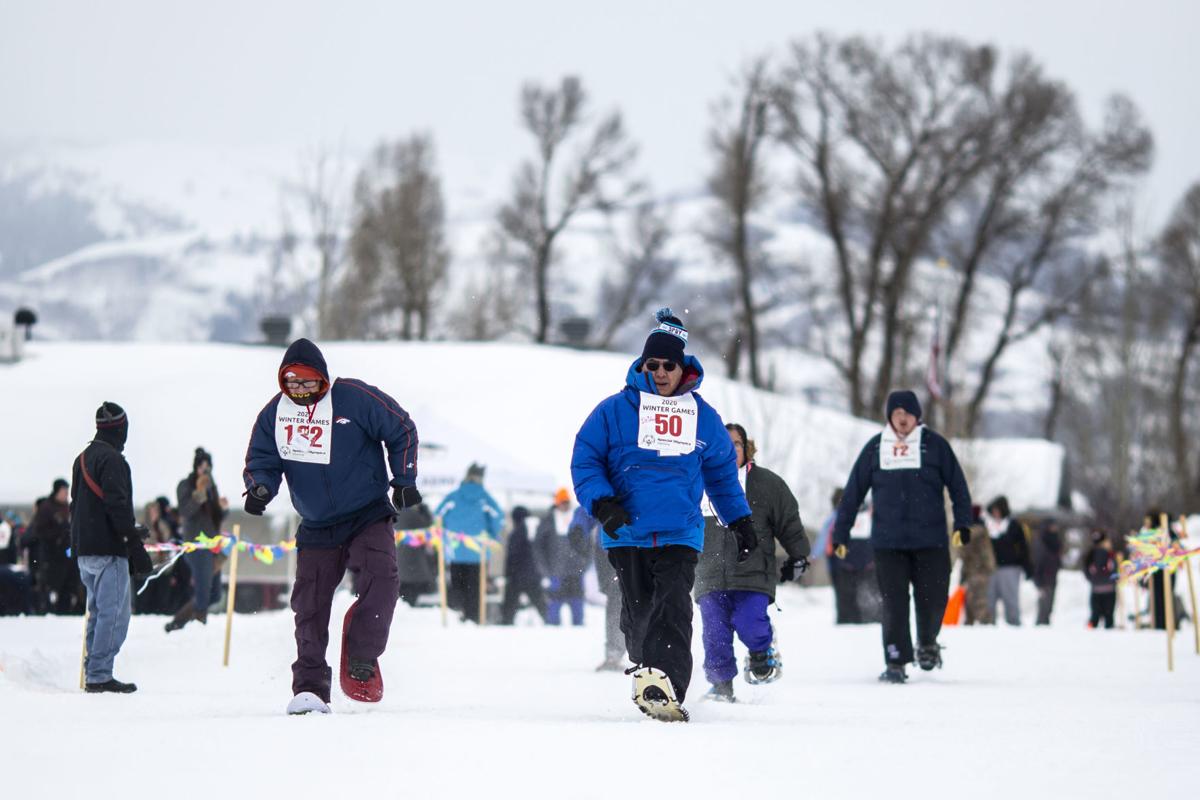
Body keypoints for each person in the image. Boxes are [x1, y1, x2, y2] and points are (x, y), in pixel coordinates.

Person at [572, 308, 754, 722]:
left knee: (673, 608)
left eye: (667, 365)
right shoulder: (613, 411)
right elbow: (586, 461)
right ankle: (645, 664)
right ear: (642, 365)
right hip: (627, 533)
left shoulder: (702, 417)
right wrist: (602, 503)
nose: (659, 372)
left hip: (679, 533)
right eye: (651, 364)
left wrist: (740, 520)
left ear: (681, 367)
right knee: (639, 616)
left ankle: (667, 685)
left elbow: (722, 476)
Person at [243, 338, 420, 714]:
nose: (300, 390)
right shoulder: (275, 414)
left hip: (366, 512)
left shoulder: (354, 398)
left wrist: (404, 479)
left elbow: (401, 427)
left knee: (382, 577)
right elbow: (262, 456)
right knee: (309, 605)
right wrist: (260, 486)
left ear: (322, 380)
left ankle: (362, 657)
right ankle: (309, 688)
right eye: (292, 383)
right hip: (317, 523)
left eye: (307, 383)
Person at [832, 390, 972, 683]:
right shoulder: (875, 448)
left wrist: (962, 524)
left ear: (917, 416)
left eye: (908, 413)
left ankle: (927, 643)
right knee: (894, 601)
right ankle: (896, 659)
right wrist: (841, 534)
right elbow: (853, 492)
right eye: (897, 413)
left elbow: (957, 486)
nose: (903, 418)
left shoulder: (934, 446)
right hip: (888, 542)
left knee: (933, 599)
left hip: (931, 541)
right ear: (890, 417)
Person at [694, 423, 810, 702]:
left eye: (736, 444)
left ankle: (762, 649)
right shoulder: (696, 481)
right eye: (724, 443)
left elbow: (789, 523)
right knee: (714, 632)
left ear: (746, 448)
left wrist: (799, 555)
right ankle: (721, 685)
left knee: (750, 623)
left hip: (753, 572)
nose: (730, 449)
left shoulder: (767, 484)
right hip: (708, 573)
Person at [70, 402, 154, 693]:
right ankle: (99, 674)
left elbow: (78, 506)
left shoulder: (82, 458)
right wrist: (135, 546)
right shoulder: (114, 461)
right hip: (109, 550)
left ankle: (93, 667)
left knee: (98, 612)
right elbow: (116, 507)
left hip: (85, 550)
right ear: (121, 429)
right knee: (114, 614)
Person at [165, 448, 229, 632]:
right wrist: (199, 492)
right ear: (196, 467)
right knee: (203, 592)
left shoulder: (212, 487)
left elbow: (216, 517)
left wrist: (222, 508)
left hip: (212, 545)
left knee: (215, 594)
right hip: (196, 544)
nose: (205, 470)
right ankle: (196, 630)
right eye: (202, 466)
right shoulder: (185, 484)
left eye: (208, 466)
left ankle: (177, 623)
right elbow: (185, 511)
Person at [434, 463, 503, 624]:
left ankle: (457, 616)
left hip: (455, 550)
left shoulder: (453, 497)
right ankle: (474, 618)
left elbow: (438, 516)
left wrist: (446, 537)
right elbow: (498, 518)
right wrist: (491, 535)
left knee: (457, 587)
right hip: (478, 551)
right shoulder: (485, 498)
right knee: (476, 590)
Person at [534, 488, 590, 626]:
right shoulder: (548, 521)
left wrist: (585, 563)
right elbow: (538, 547)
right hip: (556, 572)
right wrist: (545, 569)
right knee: (554, 605)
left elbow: (588, 543)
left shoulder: (578, 518)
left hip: (576, 571)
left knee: (577, 605)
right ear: (557, 503)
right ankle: (553, 633)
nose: (564, 505)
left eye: (566, 502)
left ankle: (578, 632)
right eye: (562, 502)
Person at [30, 478, 84, 614]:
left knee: (69, 585)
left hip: (68, 555)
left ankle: (65, 610)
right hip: (52, 556)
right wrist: (58, 532)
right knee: (52, 586)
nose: (66, 494)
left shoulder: (68, 507)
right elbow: (39, 531)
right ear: (57, 491)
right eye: (64, 491)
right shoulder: (47, 508)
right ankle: (49, 612)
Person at [985, 496, 1032, 626]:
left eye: (998, 510)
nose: (996, 513)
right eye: (994, 511)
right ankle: (988, 625)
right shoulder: (987, 526)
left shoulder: (1014, 526)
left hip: (1010, 568)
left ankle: (1014, 625)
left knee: (1011, 599)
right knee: (989, 600)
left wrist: (1027, 567)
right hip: (991, 569)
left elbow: (1023, 548)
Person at [592, 507, 626, 671]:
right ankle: (614, 652)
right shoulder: (606, 485)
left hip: (641, 545)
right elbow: (587, 507)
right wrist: (577, 529)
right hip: (609, 550)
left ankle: (655, 652)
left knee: (645, 601)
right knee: (617, 601)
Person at [500, 506, 547, 624]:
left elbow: (512, 556)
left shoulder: (516, 532)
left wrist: (507, 574)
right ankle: (551, 622)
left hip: (517, 576)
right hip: (534, 574)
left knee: (509, 605)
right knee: (541, 604)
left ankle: (506, 623)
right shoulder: (536, 529)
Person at [958, 505, 995, 625]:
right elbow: (986, 553)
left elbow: (964, 553)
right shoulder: (981, 531)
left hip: (975, 571)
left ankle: (984, 623)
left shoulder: (970, 532)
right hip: (979, 571)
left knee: (976, 600)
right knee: (975, 599)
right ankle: (979, 622)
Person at [396, 501, 437, 607]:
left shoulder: (395, 513)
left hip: (399, 566)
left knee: (403, 598)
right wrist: (425, 512)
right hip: (412, 566)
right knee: (410, 597)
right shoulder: (413, 515)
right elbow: (428, 528)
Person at [1032, 518, 1064, 626]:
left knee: (1050, 605)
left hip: (1052, 576)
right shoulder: (1041, 540)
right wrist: (1037, 580)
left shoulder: (1056, 540)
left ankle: (1045, 625)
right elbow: (1037, 561)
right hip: (1043, 577)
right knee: (1043, 605)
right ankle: (1041, 625)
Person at [1084, 530, 1117, 629]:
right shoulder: (1109, 554)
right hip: (1109, 589)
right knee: (1109, 616)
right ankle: (1109, 635)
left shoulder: (1090, 554)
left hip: (1096, 589)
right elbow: (1114, 570)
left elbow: (1086, 570)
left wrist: (1093, 580)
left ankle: (1090, 631)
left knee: (1095, 615)